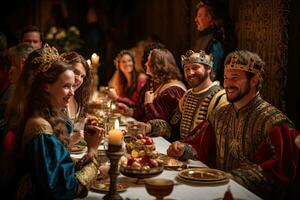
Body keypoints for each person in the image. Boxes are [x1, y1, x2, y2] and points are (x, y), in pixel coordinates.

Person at [167, 50, 299, 199]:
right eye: (226, 77)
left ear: (254, 80)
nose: (228, 84)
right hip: (218, 193)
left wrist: (231, 179)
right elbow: (201, 145)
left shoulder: (274, 122)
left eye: (235, 78)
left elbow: (278, 172)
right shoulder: (219, 114)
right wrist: (183, 149)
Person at [0, 44, 104, 199]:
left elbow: (59, 168)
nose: (72, 92)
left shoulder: (46, 117)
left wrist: (87, 159)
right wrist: (93, 152)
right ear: (46, 87)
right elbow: (62, 188)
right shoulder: (40, 128)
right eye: (66, 86)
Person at [133, 50, 228, 142]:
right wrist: (150, 127)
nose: (190, 73)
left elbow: (220, 141)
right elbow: (172, 128)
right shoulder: (187, 96)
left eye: (195, 68)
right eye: (187, 69)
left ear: (209, 69)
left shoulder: (220, 98)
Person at [118, 48, 186, 123]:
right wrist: (129, 111)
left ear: (158, 65)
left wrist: (149, 104)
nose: (146, 64)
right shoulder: (159, 84)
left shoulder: (173, 89)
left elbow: (165, 124)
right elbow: (144, 114)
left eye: (149, 61)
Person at [0, 43, 34, 137]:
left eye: (13, 65)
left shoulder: (30, 93)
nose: (10, 70)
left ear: (23, 65)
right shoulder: (14, 88)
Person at [61, 51, 94, 146]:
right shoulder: (57, 100)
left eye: (82, 76)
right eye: (76, 72)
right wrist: (71, 140)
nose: (79, 79)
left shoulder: (78, 99)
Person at [194, 1, 224, 81]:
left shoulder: (214, 41)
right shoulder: (203, 39)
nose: (196, 19)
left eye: (199, 16)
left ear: (209, 18)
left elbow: (213, 73)